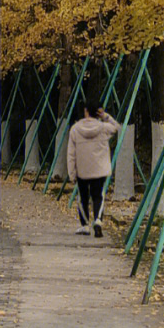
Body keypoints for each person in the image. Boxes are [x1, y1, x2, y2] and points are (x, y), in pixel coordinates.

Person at [66, 98, 119, 237]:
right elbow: (117, 127)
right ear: (98, 112)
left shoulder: (75, 129)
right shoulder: (103, 128)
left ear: (86, 111)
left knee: (83, 198)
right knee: (98, 196)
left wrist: (72, 174)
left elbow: (71, 154)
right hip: (99, 170)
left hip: (82, 170)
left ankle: (84, 226)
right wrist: (106, 116)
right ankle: (98, 221)